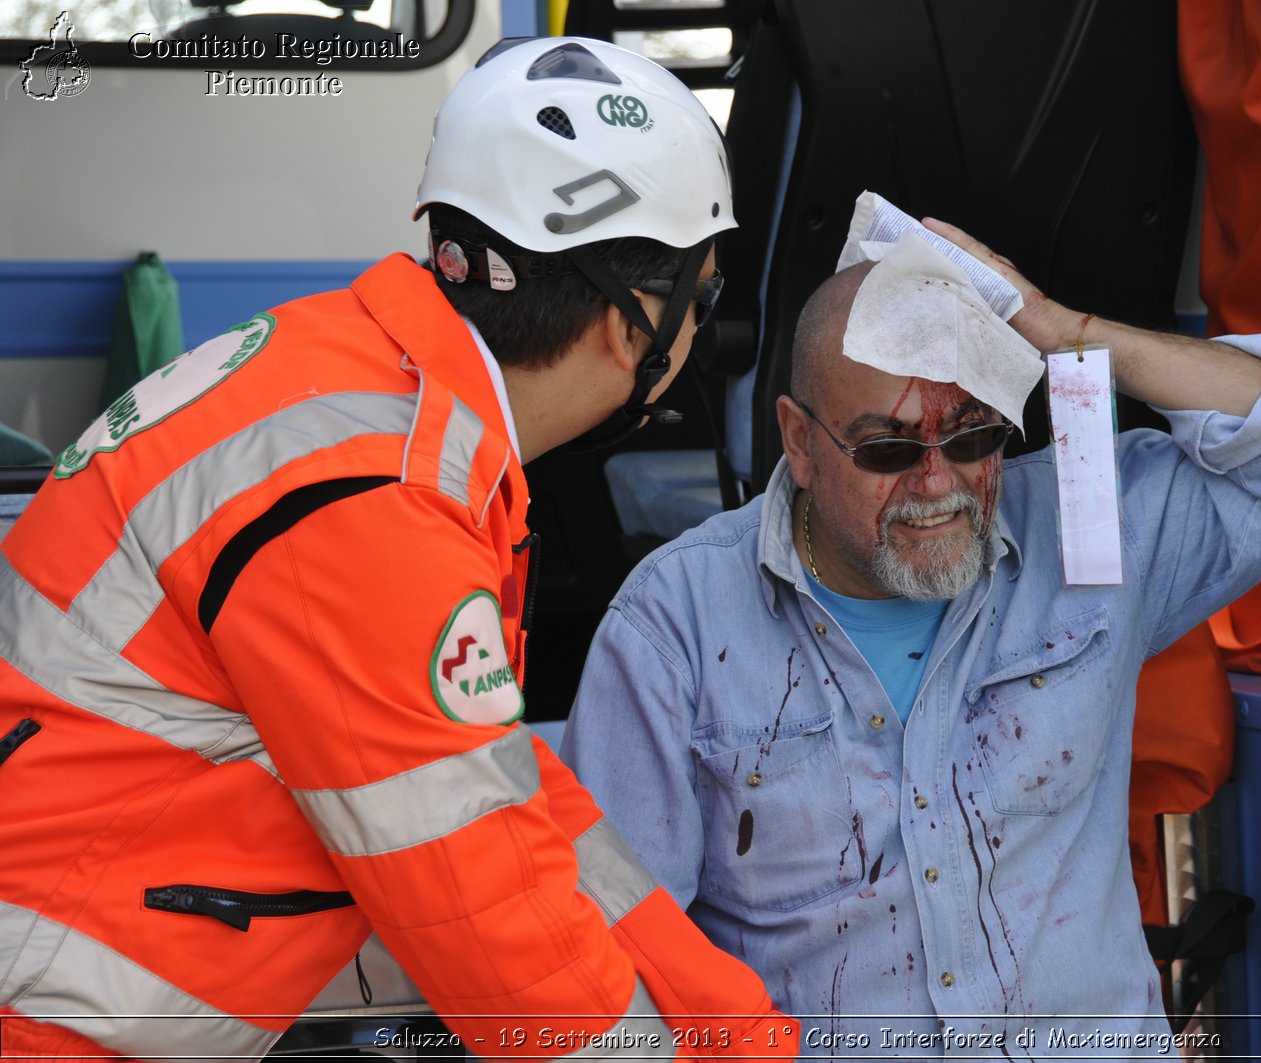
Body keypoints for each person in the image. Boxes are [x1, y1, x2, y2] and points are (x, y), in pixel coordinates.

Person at [0, 37, 797, 1061]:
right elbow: (491, 921)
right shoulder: (378, 496)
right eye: (706, 295)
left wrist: (734, 1029)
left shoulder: (369, 394)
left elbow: (508, 798)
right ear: (631, 317)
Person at [562, 219, 1261, 1055]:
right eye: (889, 447)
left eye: (972, 437)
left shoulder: (1087, 536)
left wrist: (1068, 331)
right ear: (799, 442)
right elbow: (616, 957)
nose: (939, 484)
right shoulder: (674, 623)